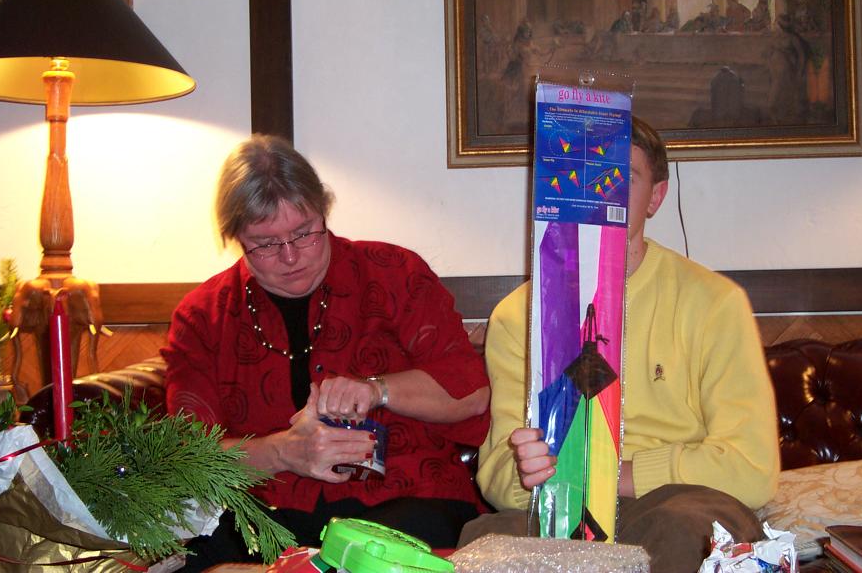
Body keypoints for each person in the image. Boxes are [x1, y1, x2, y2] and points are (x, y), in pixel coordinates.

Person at [465, 117, 780, 572]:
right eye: (585, 173)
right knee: (483, 542)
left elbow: (752, 468)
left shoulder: (715, 303)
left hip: (676, 501)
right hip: (559, 506)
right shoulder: (518, 316)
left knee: (677, 530)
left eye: (623, 176)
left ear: (655, 197)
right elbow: (495, 474)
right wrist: (526, 471)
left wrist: (610, 477)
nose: (601, 192)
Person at [163, 134, 491, 570]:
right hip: (265, 511)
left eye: (304, 233)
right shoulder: (204, 316)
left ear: (324, 211)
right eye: (265, 243)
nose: (291, 256)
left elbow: (470, 393)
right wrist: (281, 452)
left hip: (407, 498)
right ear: (235, 237)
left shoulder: (394, 274)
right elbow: (190, 460)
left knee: (377, 559)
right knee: (188, 557)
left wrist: (377, 390)